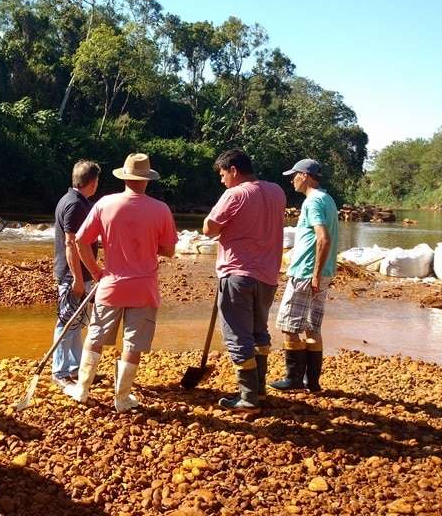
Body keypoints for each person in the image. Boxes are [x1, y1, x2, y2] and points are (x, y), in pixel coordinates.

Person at [64, 153, 178, 413]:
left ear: (124, 177)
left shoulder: (105, 204)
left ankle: (82, 390)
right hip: (144, 288)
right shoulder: (160, 209)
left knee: (95, 338)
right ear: (147, 180)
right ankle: (122, 399)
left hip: (110, 284)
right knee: (132, 344)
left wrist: (95, 270)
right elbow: (169, 250)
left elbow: (80, 242)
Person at [202, 149, 286, 412]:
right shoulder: (277, 192)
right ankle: (258, 391)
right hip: (268, 275)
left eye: (223, 174)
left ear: (234, 170)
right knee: (259, 333)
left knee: (238, 336)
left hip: (238, 274)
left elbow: (209, 228)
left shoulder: (235, 193)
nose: (222, 180)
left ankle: (248, 397)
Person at [271, 159, 339, 393]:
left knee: (289, 325)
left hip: (307, 273)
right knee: (312, 327)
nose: (292, 180)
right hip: (322, 272)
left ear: (305, 176)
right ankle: (313, 382)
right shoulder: (328, 199)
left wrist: (315, 274)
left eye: (294, 175)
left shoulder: (312, 202)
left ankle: (293, 379)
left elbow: (323, 238)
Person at [50, 160, 101, 389]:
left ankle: (75, 367)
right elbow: (71, 244)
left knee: (76, 322)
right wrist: (78, 279)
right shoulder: (75, 205)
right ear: (93, 182)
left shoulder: (69, 199)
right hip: (73, 274)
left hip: (74, 273)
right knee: (67, 320)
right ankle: (60, 371)